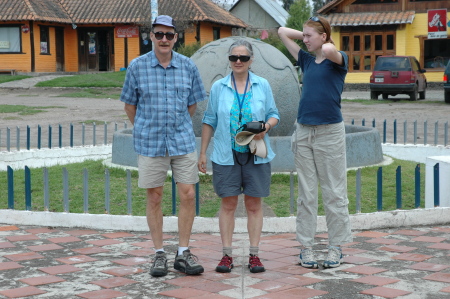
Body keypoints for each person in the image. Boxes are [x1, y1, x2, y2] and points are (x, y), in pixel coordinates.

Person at [120, 15, 206, 277]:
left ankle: (183, 252)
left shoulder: (188, 66)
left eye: (169, 35)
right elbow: (129, 105)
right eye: (159, 34)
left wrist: (176, 124)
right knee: (154, 196)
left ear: (176, 38)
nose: (164, 39)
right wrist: (147, 127)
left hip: (181, 140)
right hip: (150, 142)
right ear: (151, 36)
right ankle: (159, 254)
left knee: (188, 194)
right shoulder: (137, 66)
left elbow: (193, 104)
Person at [198, 39, 280, 273]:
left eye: (243, 58)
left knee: (254, 204)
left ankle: (254, 255)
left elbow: (274, 114)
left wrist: (266, 126)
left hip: (256, 154)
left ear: (251, 60)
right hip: (226, 154)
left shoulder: (262, 85)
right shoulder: (219, 87)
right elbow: (209, 120)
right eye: (234, 57)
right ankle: (227, 255)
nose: (238, 61)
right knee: (228, 204)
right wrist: (203, 152)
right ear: (229, 60)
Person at [278, 16, 352, 269]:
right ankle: (306, 248)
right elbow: (281, 32)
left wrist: (320, 37)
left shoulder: (337, 61)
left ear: (324, 36)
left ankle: (335, 247)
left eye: (310, 36)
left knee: (334, 193)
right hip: (304, 132)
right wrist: (308, 33)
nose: (305, 40)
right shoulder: (306, 60)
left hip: (329, 133)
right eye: (304, 36)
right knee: (306, 194)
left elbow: (330, 49)